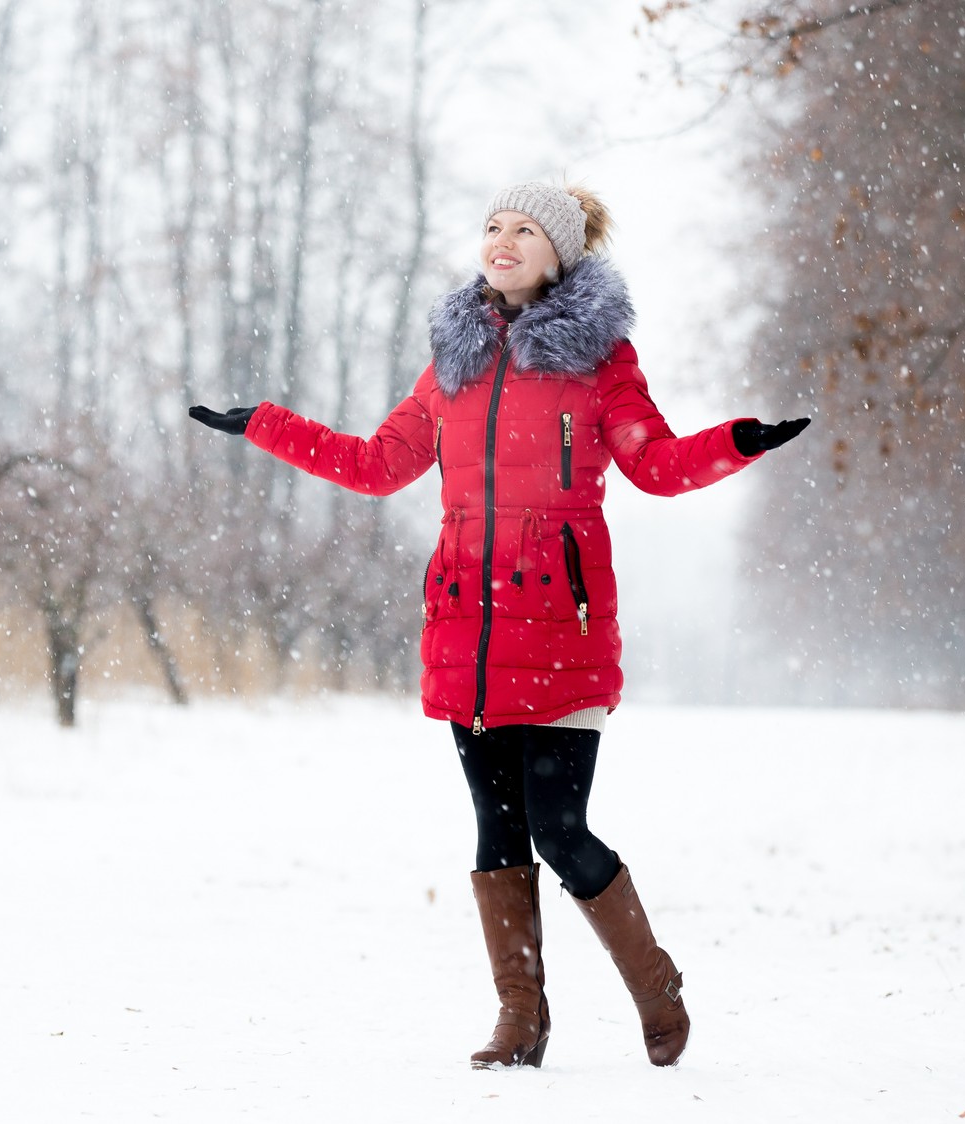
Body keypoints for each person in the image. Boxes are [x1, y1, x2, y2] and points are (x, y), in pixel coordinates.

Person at [189, 181, 809, 1070]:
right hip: (468, 632)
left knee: (561, 828)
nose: (503, 240)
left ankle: (652, 982)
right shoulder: (453, 363)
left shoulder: (600, 361)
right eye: (493, 226)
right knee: (496, 830)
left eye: (524, 229)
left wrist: (735, 441)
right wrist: (265, 425)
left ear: (561, 253)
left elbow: (655, 465)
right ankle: (522, 1019)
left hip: (559, 626)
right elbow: (375, 465)